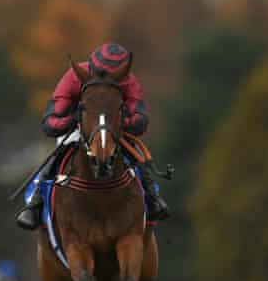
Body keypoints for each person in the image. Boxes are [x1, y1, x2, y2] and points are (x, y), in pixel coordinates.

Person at [15, 42, 169, 230]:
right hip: (78, 128)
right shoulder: (73, 77)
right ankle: (35, 204)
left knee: (137, 156)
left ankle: (153, 199)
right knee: (56, 156)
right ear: (91, 70)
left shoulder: (129, 81)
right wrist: (74, 119)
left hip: (114, 130)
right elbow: (50, 123)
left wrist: (119, 122)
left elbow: (140, 120)